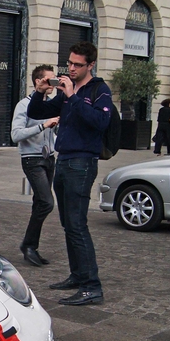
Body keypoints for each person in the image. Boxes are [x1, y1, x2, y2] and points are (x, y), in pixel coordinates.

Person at [27, 41, 112, 306]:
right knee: (68, 224)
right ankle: (78, 276)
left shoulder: (99, 90)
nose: (72, 68)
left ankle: (91, 286)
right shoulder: (65, 92)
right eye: (70, 63)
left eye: (78, 65)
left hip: (82, 162)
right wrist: (40, 92)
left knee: (77, 224)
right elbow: (36, 113)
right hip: (63, 160)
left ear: (90, 65)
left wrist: (74, 96)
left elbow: (100, 122)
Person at [12, 65, 59, 268]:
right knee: (47, 202)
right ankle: (28, 244)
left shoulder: (51, 104)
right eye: (49, 80)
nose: (53, 84)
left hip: (49, 158)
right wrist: (43, 125)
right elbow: (15, 135)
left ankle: (31, 246)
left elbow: (53, 135)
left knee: (40, 203)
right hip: (32, 159)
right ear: (38, 81)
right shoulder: (24, 105)